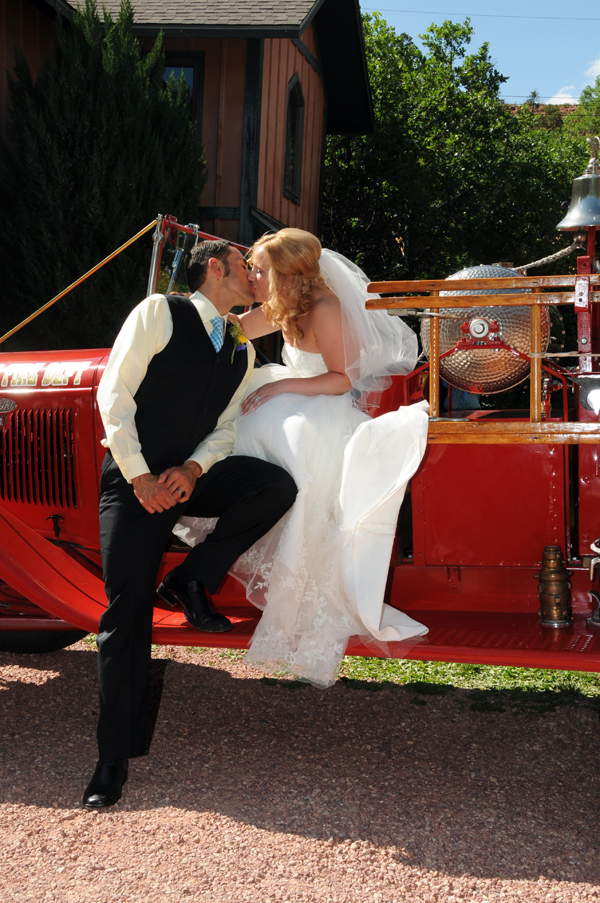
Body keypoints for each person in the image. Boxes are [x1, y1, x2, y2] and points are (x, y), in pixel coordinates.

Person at [84, 239, 297, 810]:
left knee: (273, 485)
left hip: (186, 475)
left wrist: (193, 468)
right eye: (246, 268)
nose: (256, 277)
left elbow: (225, 429)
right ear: (216, 268)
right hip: (133, 483)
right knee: (125, 612)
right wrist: (141, 477)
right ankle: (112, 759)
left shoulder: (240, 348)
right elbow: (115, 394)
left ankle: (190, 579)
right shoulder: (159, 312)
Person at [174, 229, 430, 688]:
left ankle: (296, 585)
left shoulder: (326, 308)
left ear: (287, 273)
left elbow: (340, 377)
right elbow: (232, 330)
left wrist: (280, 386)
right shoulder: (281, 304)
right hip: (289, 395)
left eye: (261, 269)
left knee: (298, 457)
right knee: (239, 423)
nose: (254, 275)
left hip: (322, 402)